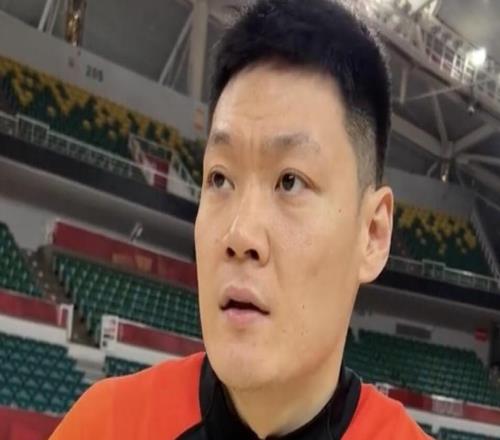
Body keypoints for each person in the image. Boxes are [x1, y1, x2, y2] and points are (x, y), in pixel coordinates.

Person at [49, 0, 432, 438]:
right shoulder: (104, 425)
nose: (239, 234)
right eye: (220, 178)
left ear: (373, 233)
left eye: (290, 181)